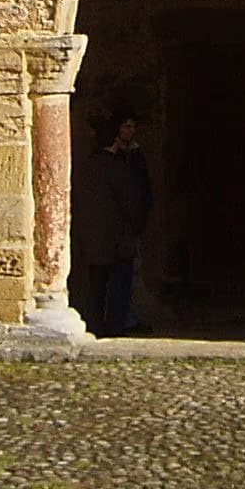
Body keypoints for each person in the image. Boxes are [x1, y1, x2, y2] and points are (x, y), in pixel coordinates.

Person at [83, 114, 152, 336]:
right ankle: (115, 325)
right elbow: (132, 200)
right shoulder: (116, 168)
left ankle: (97, 324)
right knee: (119, 282)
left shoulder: (89, 165)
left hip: (94, 236)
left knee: (98, 284)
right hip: (117, 236)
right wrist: (135, 224)